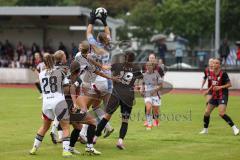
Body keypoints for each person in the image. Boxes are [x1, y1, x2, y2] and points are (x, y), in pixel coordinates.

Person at [74, 41, 119, 155]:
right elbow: (96, 67)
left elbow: (89, 68)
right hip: (101, 82)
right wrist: (109, 75)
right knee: (95, 107)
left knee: (86, 108)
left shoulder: (79, 56)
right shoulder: (96, 54)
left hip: (93, 84)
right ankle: (107, 127)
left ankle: (82, 134)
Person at [94, 51, 143, 150]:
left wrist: (92, 61)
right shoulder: (137, 68)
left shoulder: (117, 65)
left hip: (116, 94)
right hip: (128, 96)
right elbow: (140, 81)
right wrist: (139, 88)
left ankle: (94, 138)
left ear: (124, 58)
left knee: (106, 117)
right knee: (125, 120)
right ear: (133, 59)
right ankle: (120, 141)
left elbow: (106, 69)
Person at [29, 53, 72, 157]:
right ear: (54, 61)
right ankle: (66, 151)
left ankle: (34, 148)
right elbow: (66, 88)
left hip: (46, 103)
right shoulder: (60, 72)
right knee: (66, 126)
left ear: (44, 62)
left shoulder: (41, 74)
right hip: (58, 102)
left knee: (44, 127)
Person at [199, 58, 239, 135]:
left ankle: (235, 128)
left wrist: (220, 87)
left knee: (221, 113)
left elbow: (229, 85)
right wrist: (208, 90)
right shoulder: (211, 73)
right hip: (214, 95)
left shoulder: (223, 73)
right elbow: (213, 84)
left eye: (216, 63)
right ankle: (205, 130)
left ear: (219, 65)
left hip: (222, 95)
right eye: (213, 63)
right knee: (207, 112)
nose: (213, 64)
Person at [141, 61, 163, 130]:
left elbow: (161, 85)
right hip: (147, 95)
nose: (148, 67)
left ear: (152, 66)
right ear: (146, 67)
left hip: (156, 95)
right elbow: (143, 83)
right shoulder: (144, 75)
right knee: (148, 108)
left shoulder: (157, 74)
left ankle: (156, 120)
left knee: (155, 111)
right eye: (147, 65)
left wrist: (155, 90)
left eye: (150, 65)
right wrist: (142, 89)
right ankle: (149, 125)